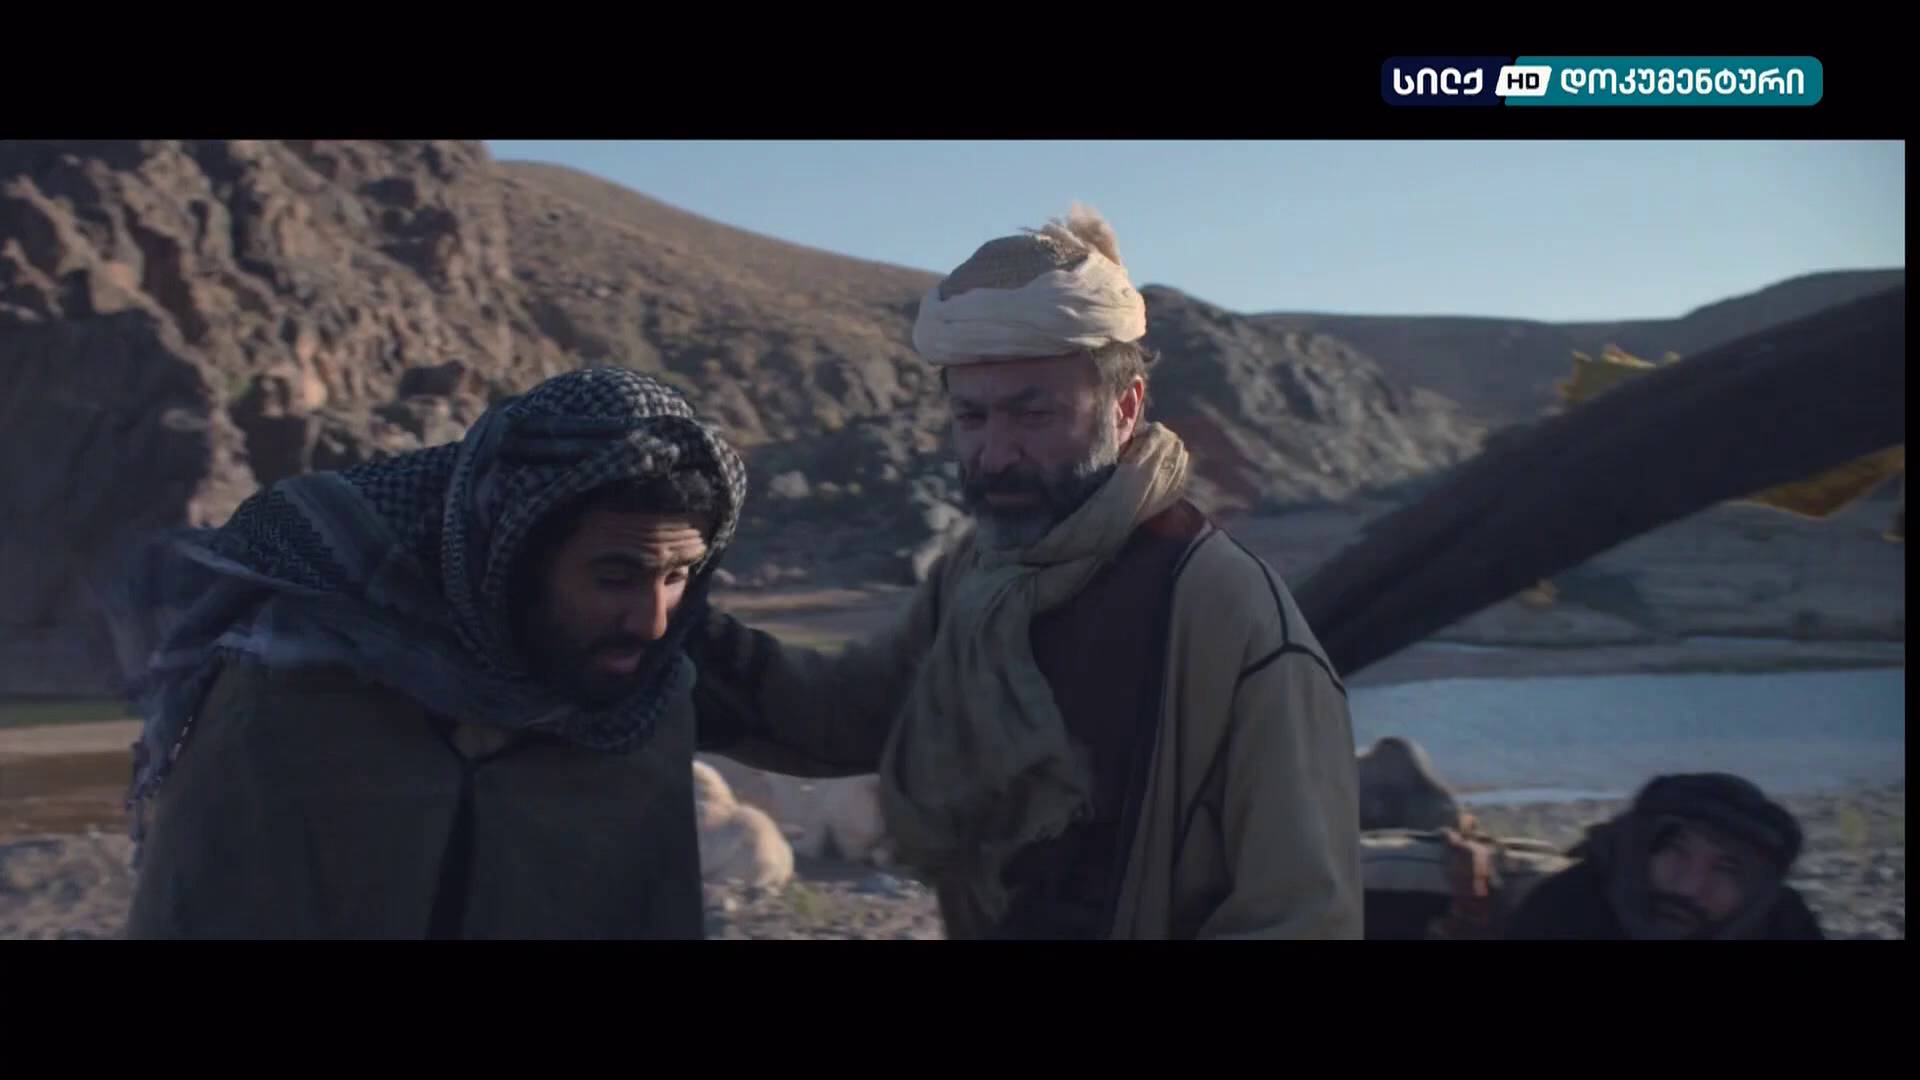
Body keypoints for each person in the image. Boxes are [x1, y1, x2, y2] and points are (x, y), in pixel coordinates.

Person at [690, 205, 1363, 939]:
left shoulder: (1224, 613)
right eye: (972, 419)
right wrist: (679, 637)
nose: (995, 453)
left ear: (1125, 407)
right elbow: (850, 715)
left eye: (1032, 415)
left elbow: (1301, 915)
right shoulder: (978, 578)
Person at [110, 366, 792, 938]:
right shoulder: (289, 704)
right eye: (614, 578)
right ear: (513, 562)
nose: (651, 620)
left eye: (677, 577)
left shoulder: (640, 709)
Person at [1504, 773, 1825, 940]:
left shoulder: (1781, 925)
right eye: (1678, 852)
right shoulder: (1566, 909)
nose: (1689, 886)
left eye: (1726, 868)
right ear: (1641, 851)